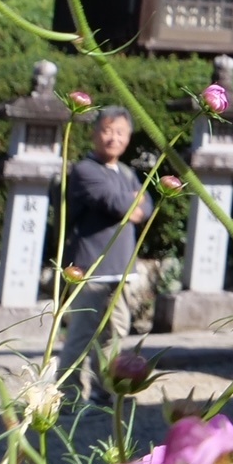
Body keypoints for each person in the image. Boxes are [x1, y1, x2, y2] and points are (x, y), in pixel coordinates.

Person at [55, 107, 148, 402]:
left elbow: (146, 206)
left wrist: (133, 205)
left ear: (128, 138)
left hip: (121, 269)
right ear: (95, 134)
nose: (113, 138)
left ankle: (105, 390)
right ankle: (65, 396)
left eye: (120, 132)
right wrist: (131, 204)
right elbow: (118, 204)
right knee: (82, 335)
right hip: (90, 269)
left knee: (115, 334)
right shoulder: (85, 170)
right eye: (107, 131)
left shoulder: (127, 173)